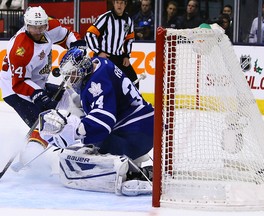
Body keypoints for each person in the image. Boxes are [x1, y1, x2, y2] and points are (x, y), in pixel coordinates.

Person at [38, 47, 154, 195]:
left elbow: (103, 122)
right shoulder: (99, 64)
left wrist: (75, 131)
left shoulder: (97, 82)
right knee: (93, 140)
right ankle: (133, 167)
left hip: (138, 131)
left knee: (97, 144)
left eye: (72, 74)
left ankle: (134, 173)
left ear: (82, 68)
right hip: (142, 125)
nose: (71, 80)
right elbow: (102, 103)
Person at [0, 6, 83, 155]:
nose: (38, 31)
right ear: (26, 25)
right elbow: (19, 83)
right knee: (47, 125)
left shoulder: (50, 27)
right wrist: (39, 95)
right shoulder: (21, 49)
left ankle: (83, 136)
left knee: (70, 99)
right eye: (33, 27)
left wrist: (76, 47)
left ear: (46, 23)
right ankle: (30, 156)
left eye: (41, 26)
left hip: (37, 82)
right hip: (15, 90)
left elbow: (67, 35)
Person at [85, 0, 139, 89]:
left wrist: (126, 56)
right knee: (103, 84)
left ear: (125, 5)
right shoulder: (106, 17)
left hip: (119, 57)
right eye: (117, 2)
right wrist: (98, 52)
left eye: (122, 3)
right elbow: (90, 34)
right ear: (114, 4)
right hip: (104, 56)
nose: (119, 5)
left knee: (133, 80)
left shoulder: (128, 20)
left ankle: (131, 102)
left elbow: (129, 39)